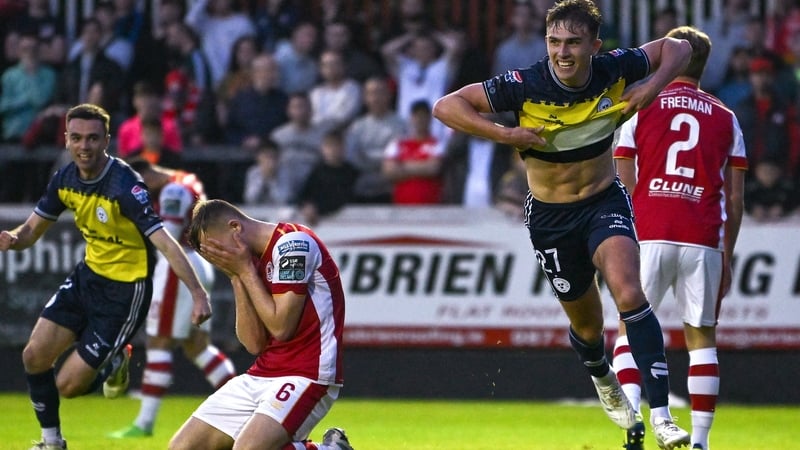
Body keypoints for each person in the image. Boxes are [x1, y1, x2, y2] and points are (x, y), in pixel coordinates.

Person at [431, 1, 693, 448]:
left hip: (603, 201)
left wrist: (652, 87)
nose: (562, 52)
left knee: (630, 293)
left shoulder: (615, 68)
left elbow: (679, 47)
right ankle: (602, 376)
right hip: (551, 218)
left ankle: (663, 416)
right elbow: (445, 106)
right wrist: (506, 134)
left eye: (573, 43)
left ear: (595, 46)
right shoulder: (524, 84)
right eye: (554, 42)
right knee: (588, 330)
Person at [0, 103, 211, 450]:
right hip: (88, 277)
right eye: (77, 138)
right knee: (34, 355)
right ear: (67, 139)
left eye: (93, 138)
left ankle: (115, 362)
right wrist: (12, 239)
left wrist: (198, 294)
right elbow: (31, 230)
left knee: (68, 386)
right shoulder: (64, 179)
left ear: (107, 141)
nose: (84, 146)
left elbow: (165, 243)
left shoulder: (126, 186)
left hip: (125, 292)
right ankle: (52, 443)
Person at [611, 26, 748, 450]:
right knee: (701, 339)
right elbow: (735, 199)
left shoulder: (640, 107)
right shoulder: (727, 117)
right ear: (706, 65)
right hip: (702, 234)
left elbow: (623, 183)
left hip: (649, 231)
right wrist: (727, 254)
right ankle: (701, 442)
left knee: (628, 330)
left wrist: (621, 241)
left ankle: (633, 425)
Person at [169, 199, 352, 450]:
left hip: (307, 373)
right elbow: (254, 344)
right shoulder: (247, 261)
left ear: (235, 228)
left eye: (217, 249)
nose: (219, 258)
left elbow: (282, 328)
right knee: (182, 448)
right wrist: (236, 277)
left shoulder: (293, 244)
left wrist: (244, 270)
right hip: (262, 373)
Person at [109, 159, 237, 439]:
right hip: (199, 262)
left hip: (178, 267)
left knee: (159, 341)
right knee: (198, 347)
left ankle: (144, 423)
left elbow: (169, 234)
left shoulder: (173, 191)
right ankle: (244, 406)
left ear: (146, 174)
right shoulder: (187, 181)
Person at [382, 99, 446, 205]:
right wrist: (422, 166)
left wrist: (402, 166)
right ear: (411, 118)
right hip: (401, 206)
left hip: (430, 206)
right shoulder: (398, 144)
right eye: (417, 116)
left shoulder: (437, 144)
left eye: (424, 116)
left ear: (429, 119)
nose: (420, 120)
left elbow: (433, 168)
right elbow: (389, 171)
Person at [296, 128, 360, 225]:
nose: (332, 150)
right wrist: (306, 207)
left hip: (346, 223)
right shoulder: (317, 172)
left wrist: (318, 209)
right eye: (329, 145)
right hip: (317, 224)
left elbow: (344, 199)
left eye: (336, 145)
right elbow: (302, 196)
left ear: (343, 148)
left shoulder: (351, 173)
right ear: (322, 148)